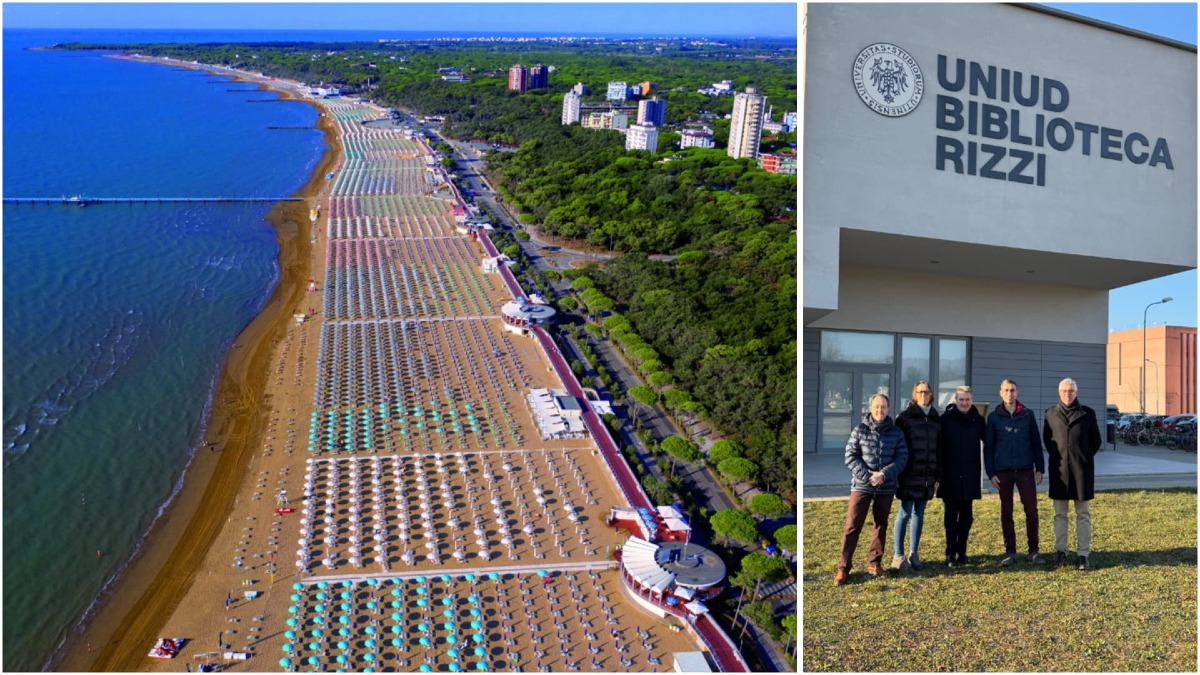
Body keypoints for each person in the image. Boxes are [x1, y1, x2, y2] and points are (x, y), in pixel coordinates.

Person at [835, 393, 908, 585]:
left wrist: (883, 475)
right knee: (852, 526)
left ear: (888, 409)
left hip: (886, 486)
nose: (880, 410)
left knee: (880, 525)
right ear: (871, 408)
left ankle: (874, 563)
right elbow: (850, 456)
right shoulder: (860, 429)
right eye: (877, 406)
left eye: (883, 406)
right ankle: (843, 568)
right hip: (862, 485)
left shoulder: (896, 432)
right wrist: (868, 476)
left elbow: (902, 458)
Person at [984, 379, 1046, 566]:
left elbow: (1036, 442)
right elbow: (989, 447)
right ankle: (1010, 551)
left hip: (1026, 470)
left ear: (1017, 393)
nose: (1009, 393)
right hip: (1003, 472)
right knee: (1006, 512)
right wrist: (990, 473)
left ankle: (1033, 550)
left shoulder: (1027, 415)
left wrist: (1040, 468)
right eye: (1006, 390)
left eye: (1012, 390)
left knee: (1031, 511)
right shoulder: (994, 417)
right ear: (1000, 393)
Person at [1043, 377, 1102, 570]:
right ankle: (1061, 551)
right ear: (1059, 393)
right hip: (1059, 473)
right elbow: (1048, 441)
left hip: (1081, 472)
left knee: (1083, 514)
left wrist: (1081, 458)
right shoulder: (1050, 414)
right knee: (1060, 514)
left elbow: (1096, 441)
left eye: (1071, 391)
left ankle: (1083, 554)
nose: (1068, 394)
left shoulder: (1088, 413)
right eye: (1064, 391)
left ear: (1076, 393)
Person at [892, 381, 941, 571]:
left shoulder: (937, 419)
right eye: (920, 392)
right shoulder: (904, 418)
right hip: (908, 474)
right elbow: (898, 448)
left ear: (931, 394)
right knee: (904, 513)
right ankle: (898, 554)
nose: (923, 394)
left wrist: (938, 477)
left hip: (927, 476)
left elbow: (939, 450)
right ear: (915, 394)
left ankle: (914, 553)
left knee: (919, 514)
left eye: (926, 392)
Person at [937, 385, 986, 567]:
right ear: (955, 401)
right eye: (961, 400)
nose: (964, 403)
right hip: (950, 476)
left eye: (967, 400)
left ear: (972, 401)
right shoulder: (945, 420)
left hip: (970, 475)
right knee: (950, 516)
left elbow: (990, 442)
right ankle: (950, 553)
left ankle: (962, 551)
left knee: (967, 517)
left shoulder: (978, 420)